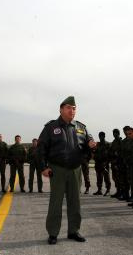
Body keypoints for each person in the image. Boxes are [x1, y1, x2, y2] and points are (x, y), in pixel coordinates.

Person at [37, 96, 96, 245]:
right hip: (58, 169)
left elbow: (89, 144)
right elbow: (41, 148)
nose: (72, 110)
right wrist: (43, 167)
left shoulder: (81, 128)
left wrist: (91, 145)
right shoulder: (51, 127)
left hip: (75, 169)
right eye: (69, 107)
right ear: (61, 109)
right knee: (56, 202)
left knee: (75, 202)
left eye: (74, 108)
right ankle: (53, 233)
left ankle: (73, 231)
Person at [93, 132, 111, 196]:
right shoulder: (98, 144)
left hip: (104, 163)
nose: (100, 137)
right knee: (99, 177)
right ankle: (99, 190)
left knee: (106, 177)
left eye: (101, 136)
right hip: (98, 163)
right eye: (99, 136)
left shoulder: (107, 144)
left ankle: (108, 190)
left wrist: (106, 163)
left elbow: (109, 155)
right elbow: (94, 152)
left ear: (104, 136)